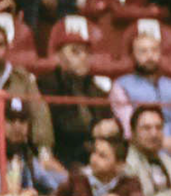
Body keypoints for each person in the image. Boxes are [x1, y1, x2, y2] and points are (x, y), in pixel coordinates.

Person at [110, 32, 171, 155]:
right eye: (143, 51)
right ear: (133, 56)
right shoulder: (121, 85)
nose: (150, 56)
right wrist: (161, 142)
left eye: (154, 50)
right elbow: (128, 128)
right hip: (138, 152)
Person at [37, 16, 114, 167]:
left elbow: (109, 121)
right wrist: (95, 131)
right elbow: (59, 129)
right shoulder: (46, 85)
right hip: (62, 160)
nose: (83, 57)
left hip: (95, 161)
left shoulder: (96, 88)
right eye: (75, 52)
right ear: (59, 56)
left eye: (87, 52)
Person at [0, 21, 54, 157]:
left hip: (17, 152)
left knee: (58, 177)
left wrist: (44, 153)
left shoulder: (23, 79)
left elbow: (39, 115)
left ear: (7, 48)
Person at [0, 96, 65, 196]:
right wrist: (24, 193)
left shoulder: (23, 150)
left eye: (22, 120)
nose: (17, 126)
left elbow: (47, 179)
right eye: (11, 120)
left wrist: (69, 183)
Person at [56, 135, 144, 196]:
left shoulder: (131, 185)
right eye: (94, 152)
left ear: (119, 165)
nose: (94, 159)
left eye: (102, 156)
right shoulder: (75, 181)